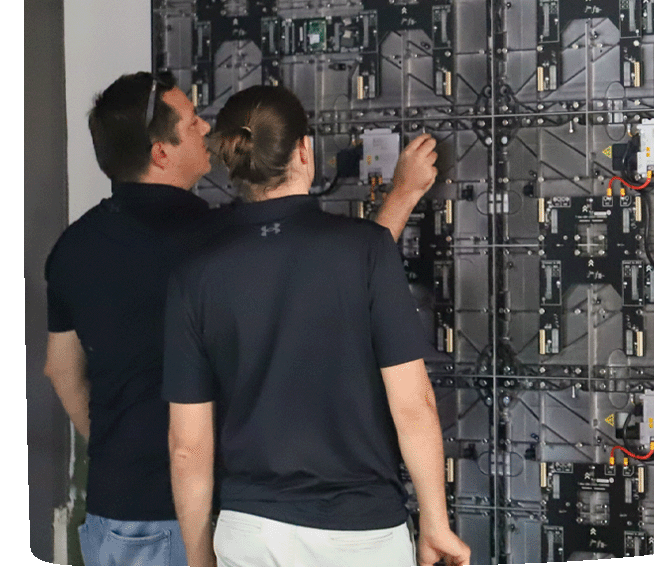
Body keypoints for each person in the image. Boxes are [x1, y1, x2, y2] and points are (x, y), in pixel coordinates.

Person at [43, 70, 438, 566]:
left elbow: (61, 370)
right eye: (191, 123)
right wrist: (401, 196)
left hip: (114, 513)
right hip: (199, 513)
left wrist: (123, 449)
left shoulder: (71, 248)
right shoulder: (216, 242)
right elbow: (338, 277)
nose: (206, 128)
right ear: (161, 152)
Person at [162, 84, 470, 567]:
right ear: (305, 150)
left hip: (251, 532)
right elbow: (414, 405)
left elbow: (187, 447)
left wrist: (202, 563)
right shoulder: (366, 250)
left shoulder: (193, 276)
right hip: (362, 534)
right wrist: (435, 521)